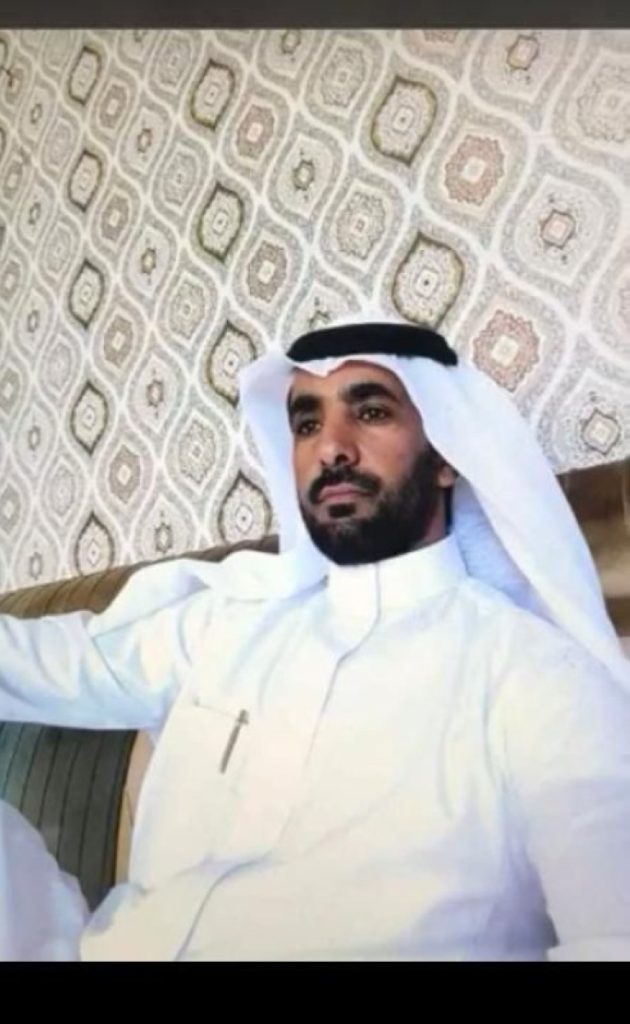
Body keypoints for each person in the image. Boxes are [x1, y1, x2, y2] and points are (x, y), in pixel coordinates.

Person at [1, 317, 630, 962]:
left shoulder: (537, 677)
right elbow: (27, 663)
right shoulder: (227, 622)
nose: (330, 448)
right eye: (306, 424)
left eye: (371, 412)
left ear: (445, 456)